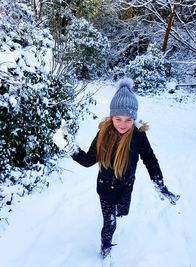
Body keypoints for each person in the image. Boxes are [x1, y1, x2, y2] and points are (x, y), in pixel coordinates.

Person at [67, 78, 180, 258]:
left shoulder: (138, 136)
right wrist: (70, 148)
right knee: (110, 222)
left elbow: (150, 160)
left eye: (128, 119)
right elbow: (88, 160)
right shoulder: (103, 134)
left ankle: (119, 212)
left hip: (126, 185)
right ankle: (105, 247)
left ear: (134, 118)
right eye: (118, 118)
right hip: (105, 187)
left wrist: (160, 185)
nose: (122, 124)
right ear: (111, 116)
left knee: (123, 211)